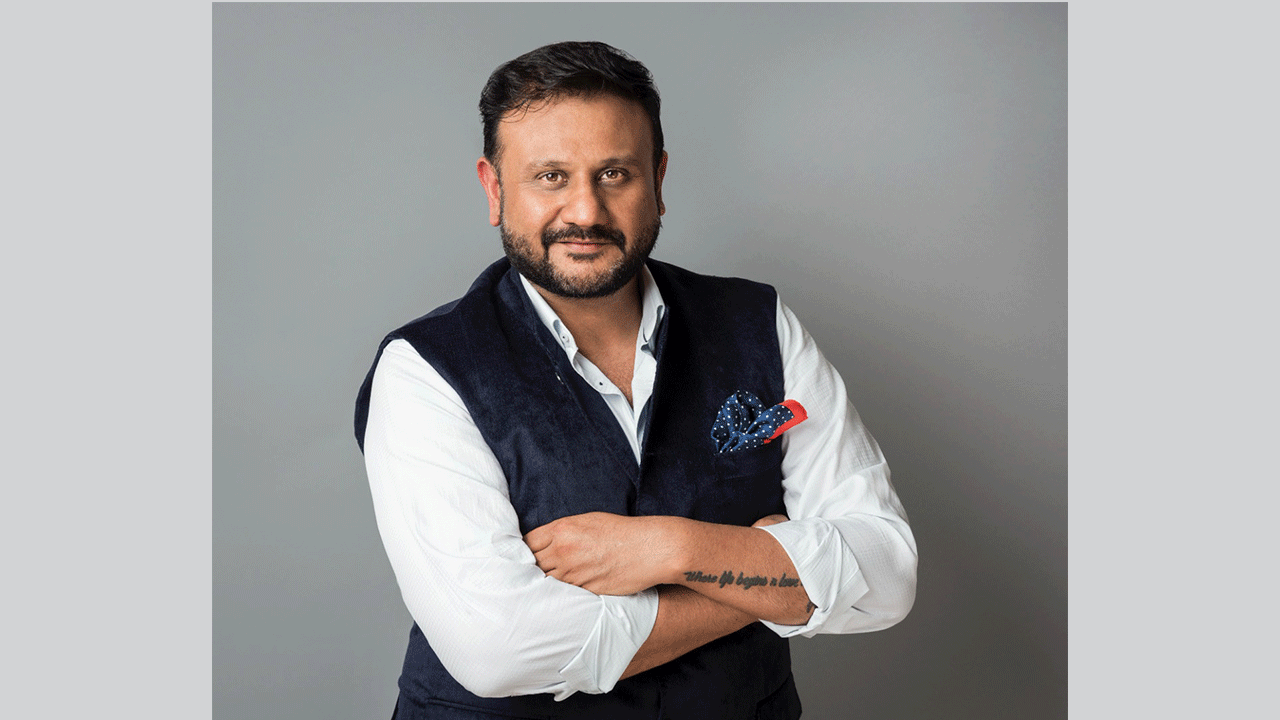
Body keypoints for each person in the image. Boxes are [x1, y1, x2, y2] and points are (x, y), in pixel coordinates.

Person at [354, 41, 917, 720]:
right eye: (551, 177)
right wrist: (761, 573)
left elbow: (886, 574)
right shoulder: (424, 369)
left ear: (658, 179)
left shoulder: (758, 323)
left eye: (614, 174)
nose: (585, 212)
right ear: (494, 189)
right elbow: (502, 650)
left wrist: (671, 549)